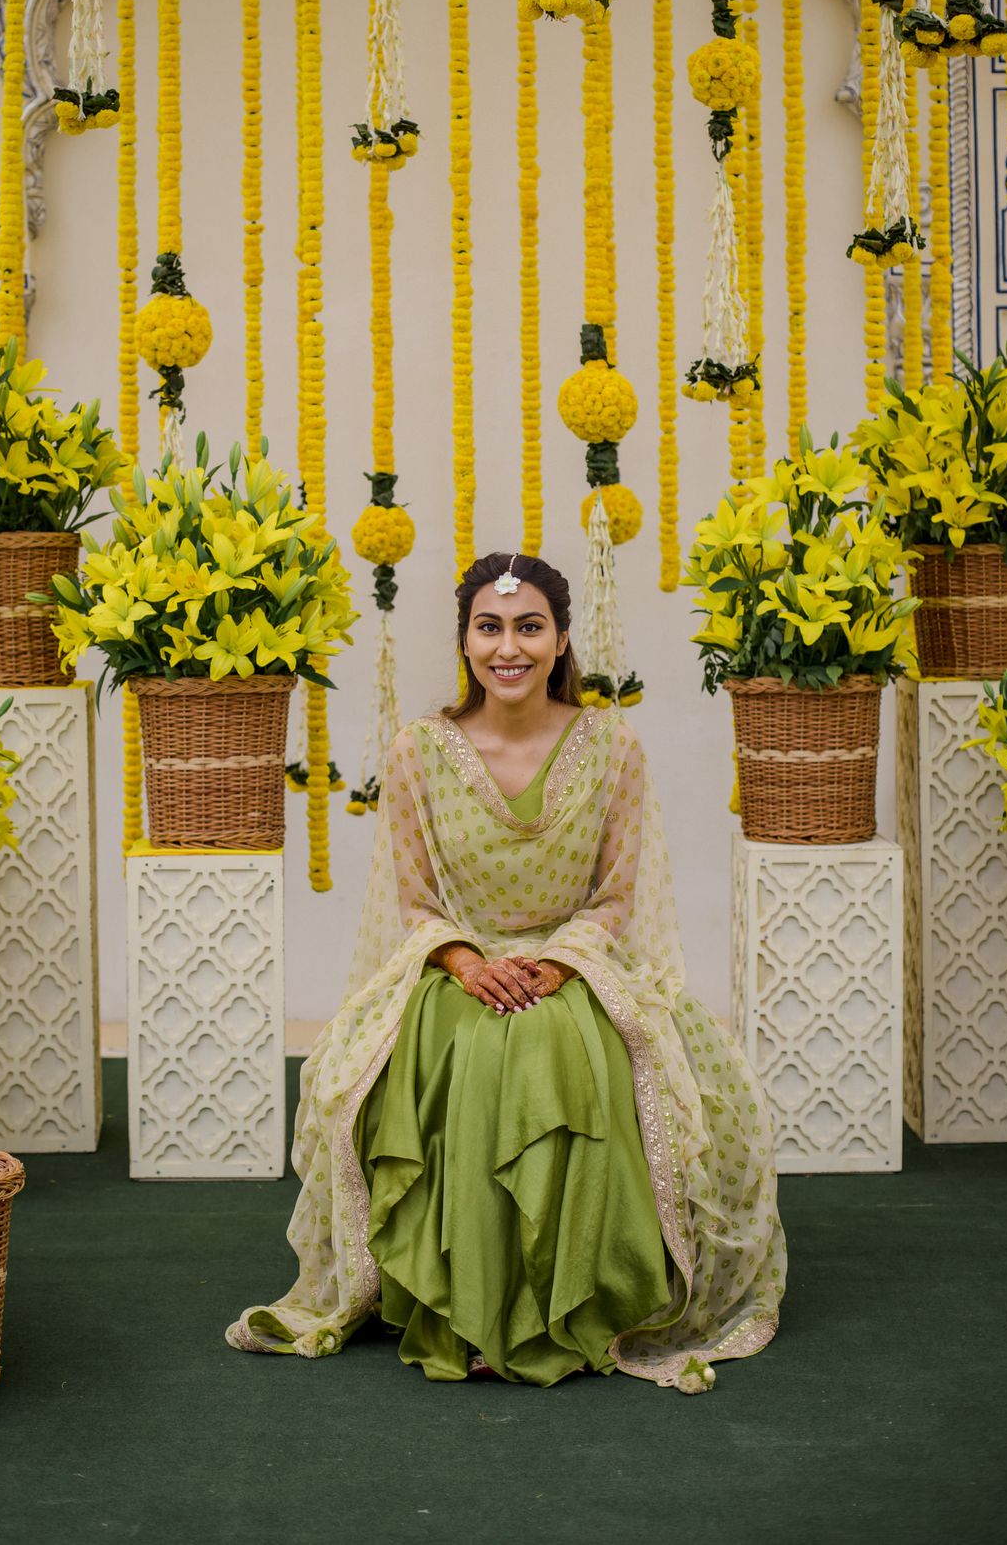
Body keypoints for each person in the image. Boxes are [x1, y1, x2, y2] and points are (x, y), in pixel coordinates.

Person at [227, 552, 786, 1388]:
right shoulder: (421, 751)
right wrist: (463, 961)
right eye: (489, 627)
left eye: (530, 627)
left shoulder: (613, 748)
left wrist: (560, 965)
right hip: (457, 967)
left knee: (556, 1048)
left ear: (562, 640)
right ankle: (465, 1305)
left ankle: (575, 1306)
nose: (509, 647)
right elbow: (414, 900)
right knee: (480, 1048)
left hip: (579, 964)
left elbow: (613, 897)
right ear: (464, 641)